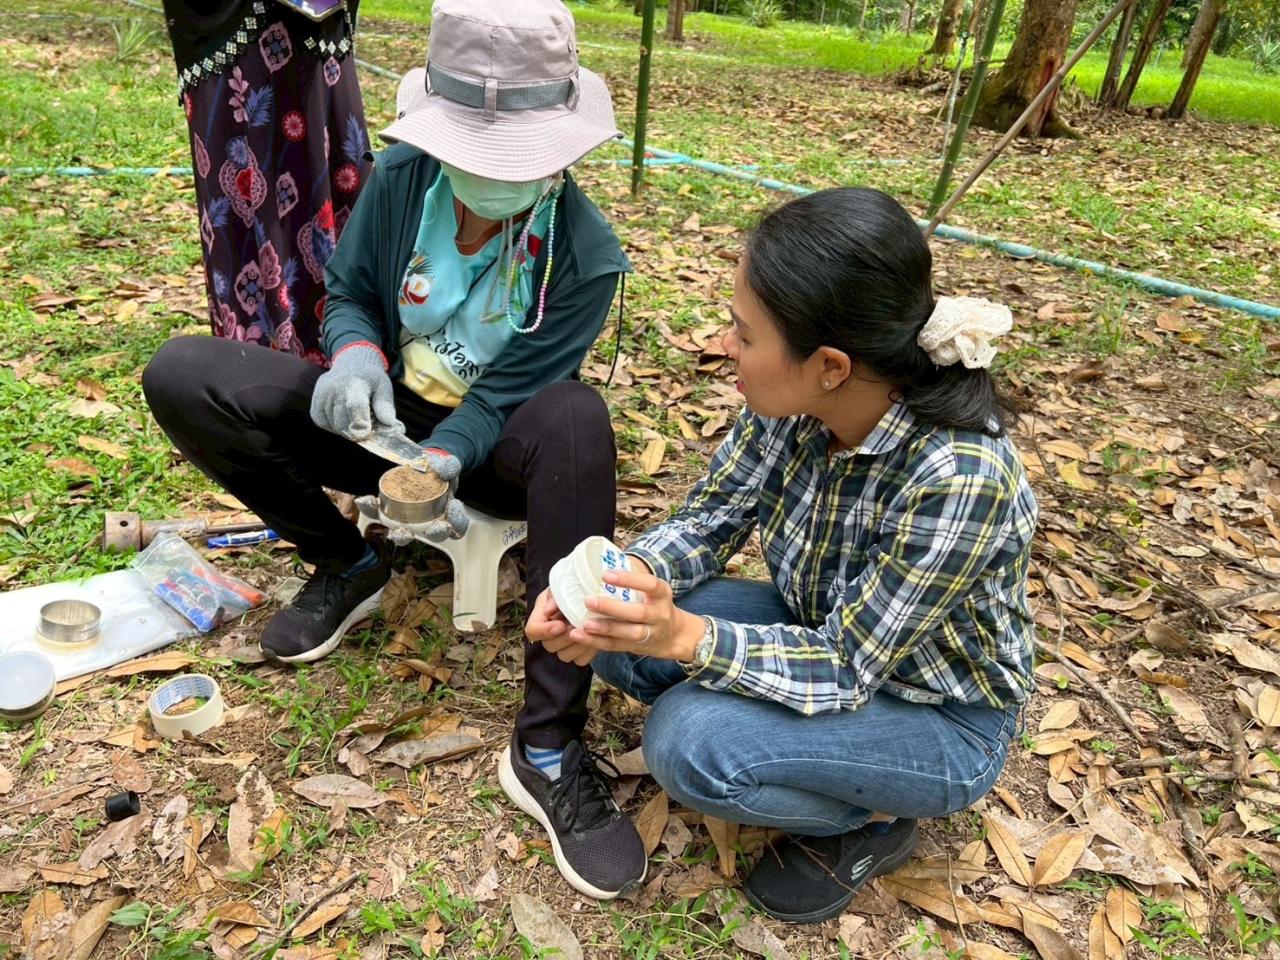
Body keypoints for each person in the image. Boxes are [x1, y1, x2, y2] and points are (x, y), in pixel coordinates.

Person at [143, 0, 647, 901]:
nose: (487, 180)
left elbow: (503, 394)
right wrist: (355, 355)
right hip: (375, 419)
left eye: (515, 163)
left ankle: (547, 740)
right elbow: (349, 293)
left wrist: (445, 459)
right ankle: (347, 565)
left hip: (498, 448)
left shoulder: (585, 256)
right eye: (472, 157)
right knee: (185, 373)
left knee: (578, 418)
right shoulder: (405, 176)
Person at [528, 187, 1038, 923]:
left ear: (829, 364)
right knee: (619, 638)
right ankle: (793, 746)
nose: (726, 344)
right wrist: (610, 591)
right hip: (823, 626)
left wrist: (686, 639)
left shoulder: (958, 478)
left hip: (941, 716)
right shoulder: (795, 407)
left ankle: (872, 820)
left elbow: (844, 665)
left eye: (744, 332)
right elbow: (710, 520)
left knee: (687, 745)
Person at [160, 0, 370, 361]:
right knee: (248, 190)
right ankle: (261, 363)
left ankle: (350, 345)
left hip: (322, 28)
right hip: (235, 31)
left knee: (334, 178)